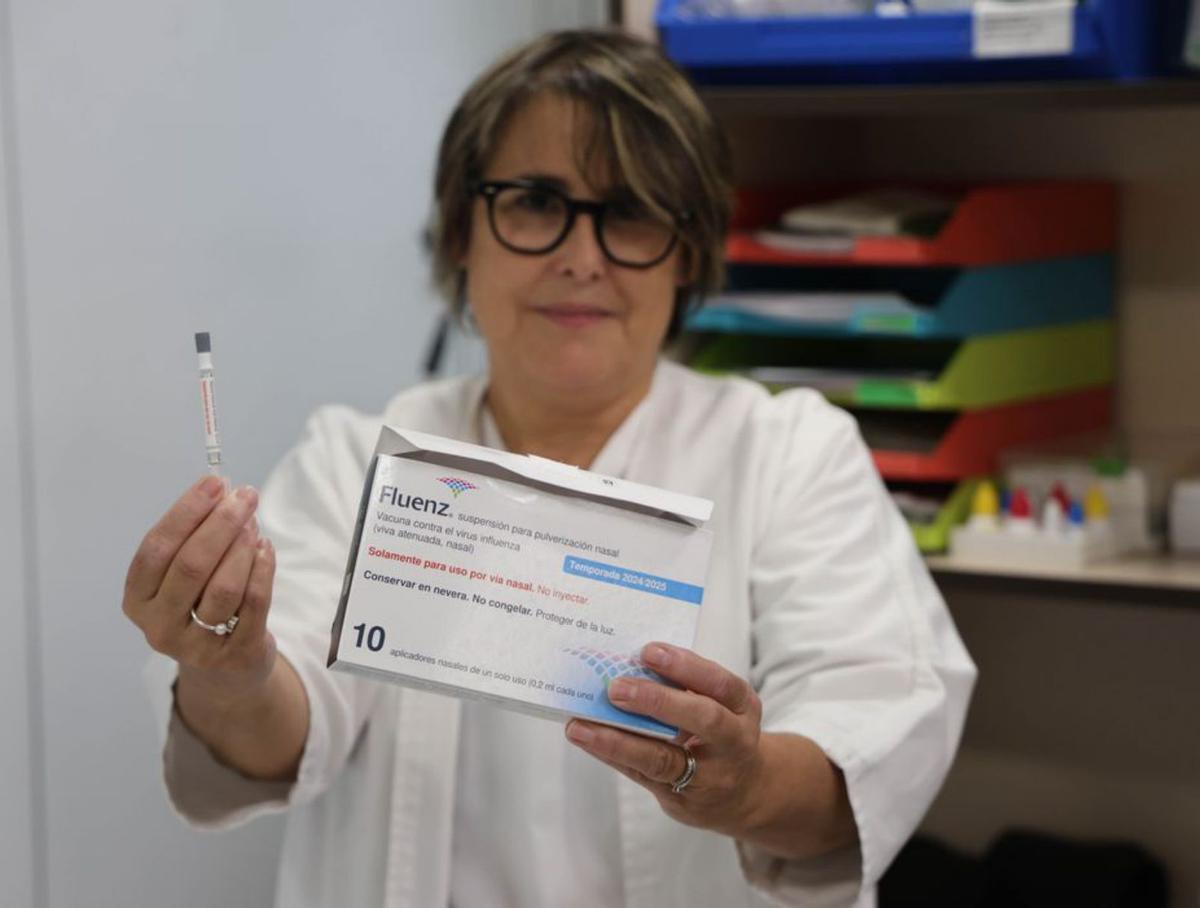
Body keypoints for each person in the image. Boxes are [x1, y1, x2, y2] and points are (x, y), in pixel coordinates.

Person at [124, 28, 976, 908]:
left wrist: (746, 785)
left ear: (687, 252)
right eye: (535, 200)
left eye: (631, 210)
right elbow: (278, 734)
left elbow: (868, 746)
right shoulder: (359, 460)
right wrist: (229, 665)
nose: (582, 255)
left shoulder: (791, 456)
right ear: (462, 234)